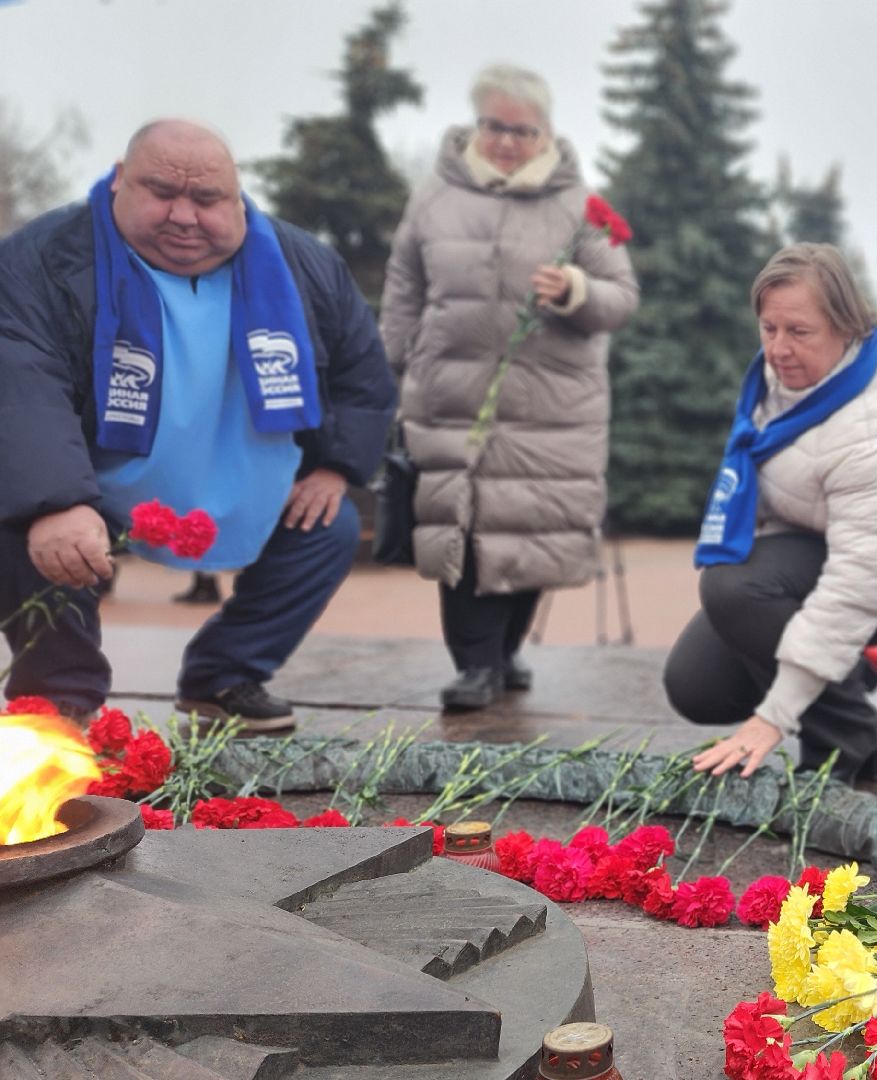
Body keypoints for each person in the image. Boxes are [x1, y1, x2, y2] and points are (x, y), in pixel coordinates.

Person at [0, 119, 394, 733]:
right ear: (118, 180)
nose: (183, 216)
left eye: (207, 199)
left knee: (330, 525)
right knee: (28, 520)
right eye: (161, 192)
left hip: (254, 485)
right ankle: (58, 694)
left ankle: (225, 677)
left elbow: (361, 371)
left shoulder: (306, 264)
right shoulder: (41, 257)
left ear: (237, 197)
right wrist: (58, 499)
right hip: (95, 480)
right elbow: (22, 379)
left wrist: (337, 467)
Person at [380, 64, 639, 712]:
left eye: (522, 130)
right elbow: (403, 291)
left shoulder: (579, 205)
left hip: (552, 405)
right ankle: (474, 665)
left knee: (531, 530)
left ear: (545, 132)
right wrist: (395, 367)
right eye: (494, 125)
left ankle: (505, 651)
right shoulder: (434, 197)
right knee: (461, 532)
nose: (505, 141)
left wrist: (576, 290)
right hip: (452, 396)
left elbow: (621, 297)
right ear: (476, 122)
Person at [665, 243, 877, 784]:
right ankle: (843, 671)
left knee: (733, 587)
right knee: (697, 688)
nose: (778, 349)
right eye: (768, 328)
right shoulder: (774, 381)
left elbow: (858, 581)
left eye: (799, 332)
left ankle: (850, 740)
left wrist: (773, 717)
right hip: (809, 549)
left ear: (847, 328)